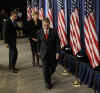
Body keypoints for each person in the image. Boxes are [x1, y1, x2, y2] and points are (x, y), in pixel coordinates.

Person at [37, 18, 60, 89]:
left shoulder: (54, 31)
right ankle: (47, 82)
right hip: (43, 53)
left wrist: (57, 52)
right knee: (45, 69)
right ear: (42, 25)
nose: (46, 27)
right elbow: (38, 42)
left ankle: (48, 75)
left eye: (47, 25)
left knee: (53, 67)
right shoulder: (39, 32)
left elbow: (57, 43)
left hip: (52, 53)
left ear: (49, 24)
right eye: (44, 25)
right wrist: (38, 51)